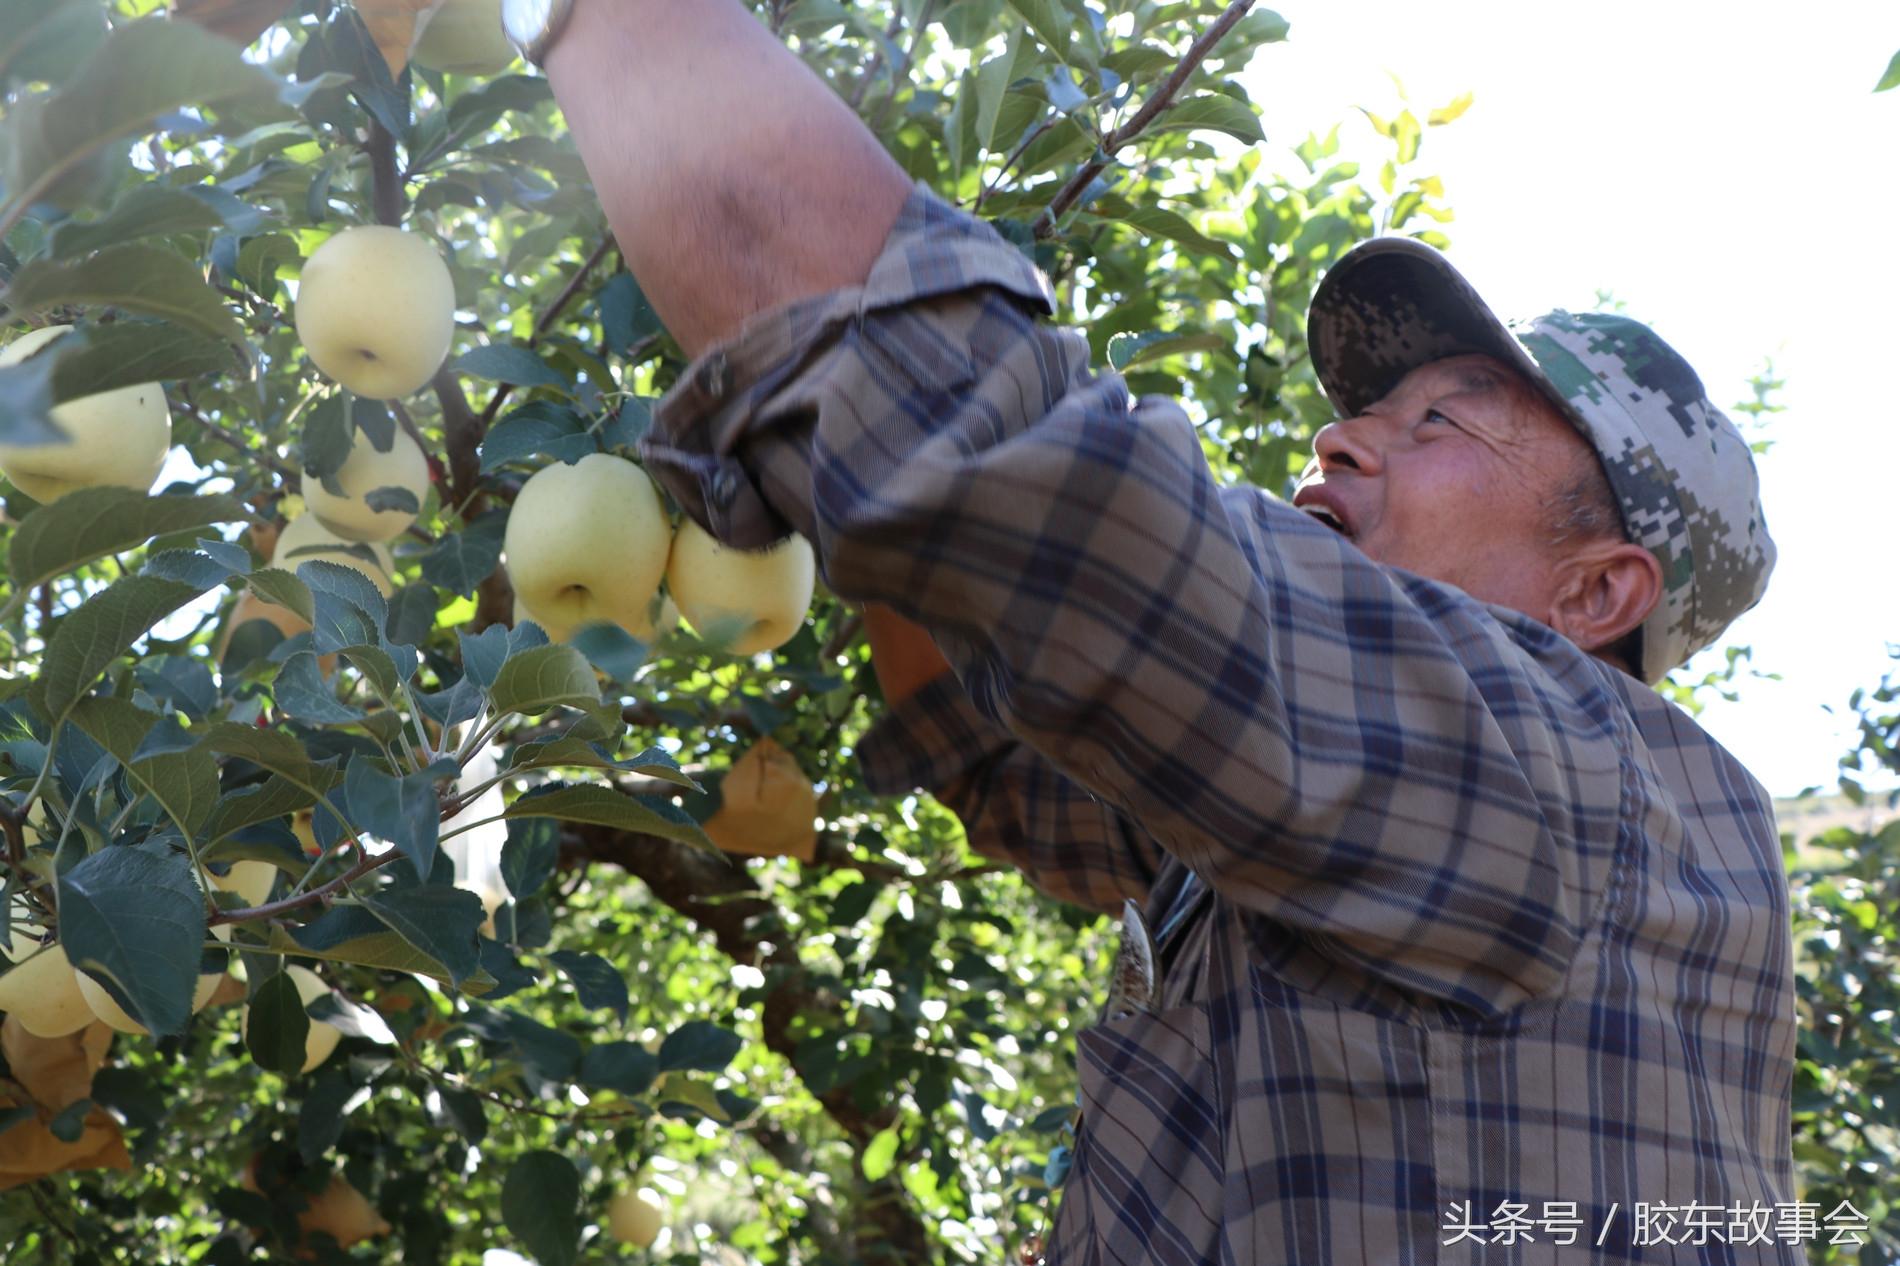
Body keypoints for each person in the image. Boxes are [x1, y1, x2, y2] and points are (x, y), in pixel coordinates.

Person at [507, 0, 1799, 1259]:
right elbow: (1000, 758)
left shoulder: (1586, 791)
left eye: (1441, 423)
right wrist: (845, 464)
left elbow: (1000, 463)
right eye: (1369, 411)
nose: (1336, 437)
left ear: (1596, 595)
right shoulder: (1340, 841)